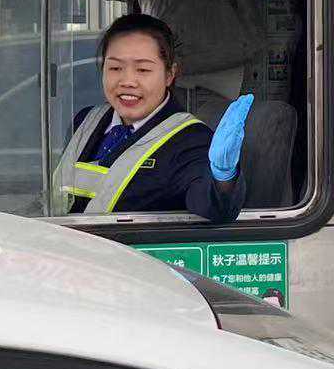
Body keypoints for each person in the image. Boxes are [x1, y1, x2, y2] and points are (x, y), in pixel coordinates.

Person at [53, 14, 251, 223]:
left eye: (143, 70)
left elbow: (212, 207)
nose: (127, 81)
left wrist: (223, 177)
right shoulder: (85, 120)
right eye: (115, 68)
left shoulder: (191, 140)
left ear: (169, 74)